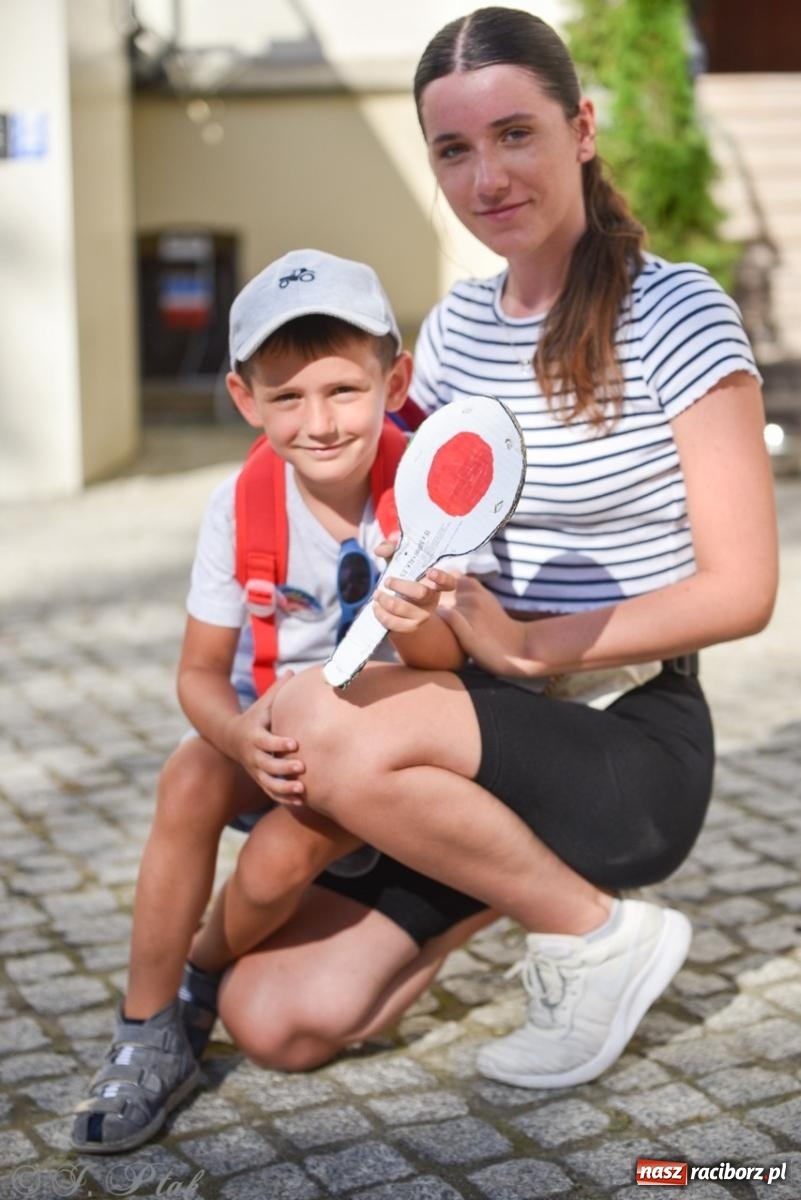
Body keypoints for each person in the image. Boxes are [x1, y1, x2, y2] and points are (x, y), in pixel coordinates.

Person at [245, 6, 778, 1091]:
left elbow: (745, 590)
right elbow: (403, 514)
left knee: (321, 722)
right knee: (274, 1018)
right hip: (484, 724)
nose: (486, 177)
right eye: (453, 149)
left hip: (623, 737)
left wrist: (529, 644)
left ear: (580, 128)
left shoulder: (677, 313)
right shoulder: (454, 330)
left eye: (515, 134)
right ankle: (521, 878)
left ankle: (594, 933)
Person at [71, 248, 498, 1154]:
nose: (319, 421)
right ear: (245, 400)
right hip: (273, 731)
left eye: (344, 390)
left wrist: (417, 612)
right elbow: (198, 673)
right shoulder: (240, 505)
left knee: (274, 860)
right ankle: (145, 1028)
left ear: (395, 383)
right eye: (288, 397)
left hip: (383, 743)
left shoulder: (431, 492)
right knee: (189, 778)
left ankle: (198, 977)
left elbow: (450, 670)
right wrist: (238, 734)